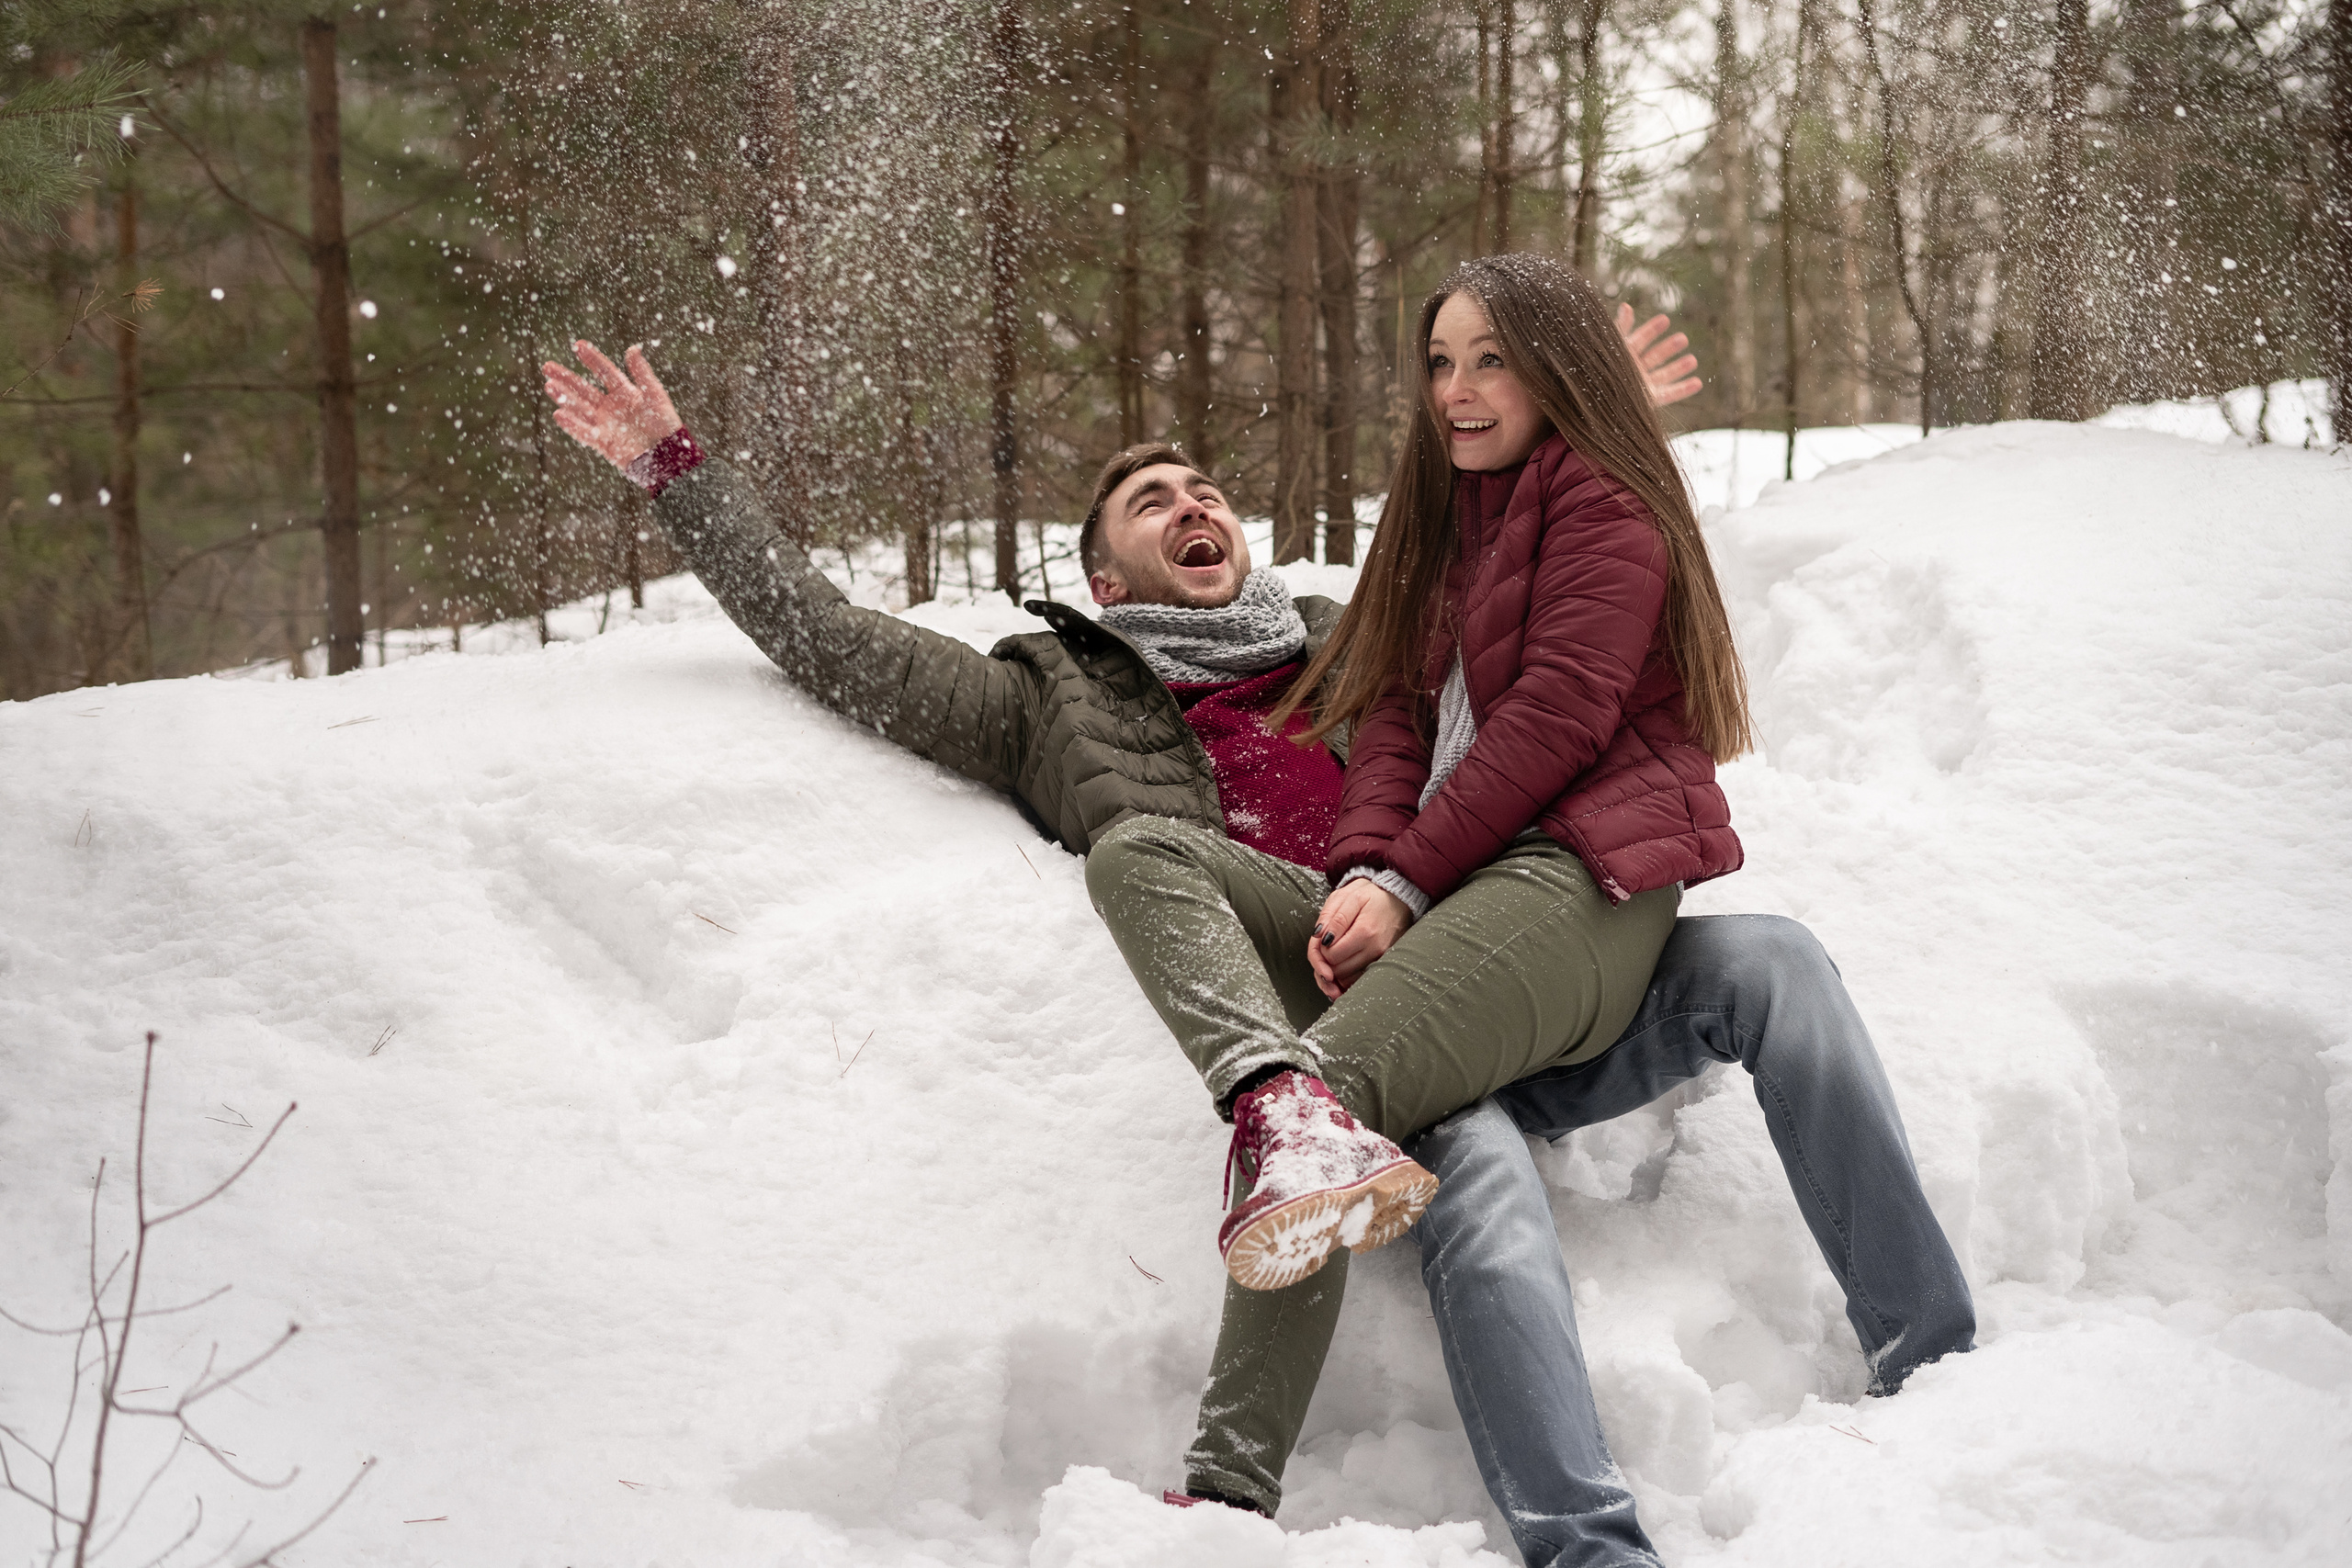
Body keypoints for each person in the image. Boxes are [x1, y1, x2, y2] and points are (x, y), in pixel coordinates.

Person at [537, 301, 1969, 1567]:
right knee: (1456, 1147)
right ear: (1104, 576)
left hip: (1503, 945)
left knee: (1774, 959)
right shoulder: (1052, 693)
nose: (1188, 502)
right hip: (1344, 989)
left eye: (1203, 487)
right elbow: (826, 634)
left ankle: (1939, 1361)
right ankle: (1577, 1539)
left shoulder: (1352, 630)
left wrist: (1579, 426)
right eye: (1151, 501)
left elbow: (1533, 610)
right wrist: (679, 474)